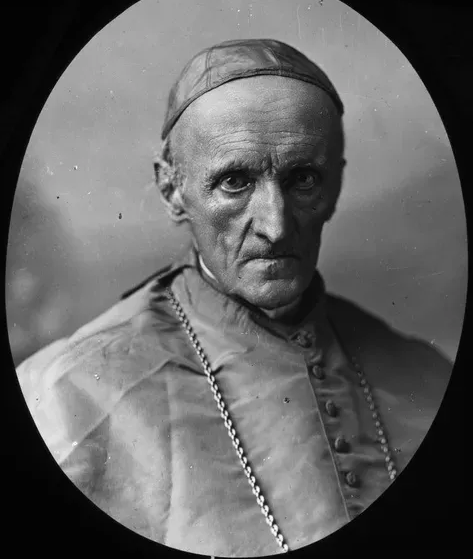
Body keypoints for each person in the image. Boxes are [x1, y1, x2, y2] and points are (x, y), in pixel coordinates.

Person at [16, 39, 452, 557]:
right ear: (172, 190)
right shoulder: (64, 397)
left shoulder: (428, 376)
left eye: (303, 178)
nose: (276, 225)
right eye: (235, 182)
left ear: (334, 185)